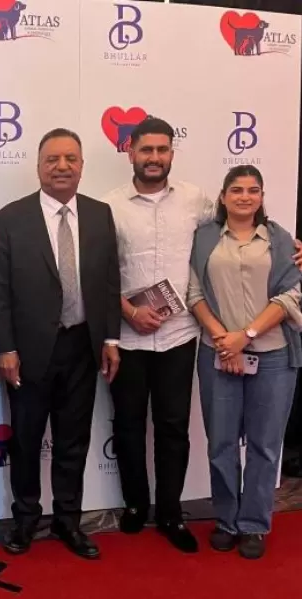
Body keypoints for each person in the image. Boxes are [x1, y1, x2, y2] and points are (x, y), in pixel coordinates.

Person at [0, 128, 121, 560]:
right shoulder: (11, 218)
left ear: (82, 165)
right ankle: (26, 519)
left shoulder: (100, 214)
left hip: (82, 346)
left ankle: (68, 521)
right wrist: (6, 348)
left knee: (73, 441)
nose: (62, 166)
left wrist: (110, 338)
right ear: (38, 166)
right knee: (26, 440)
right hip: (28, 352)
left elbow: (109, 281)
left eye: (70, 159)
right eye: (52, 159)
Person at [100, 117, 213, 552]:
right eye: (146, 149)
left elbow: (238, 222)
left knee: (173, 428)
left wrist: (284, 244)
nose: (154, 157)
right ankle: (134, 505)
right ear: (130, 151)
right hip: (127, 337)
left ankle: (170, 512)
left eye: (162, 150)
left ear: (171, 153)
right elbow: (98, 273)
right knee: (128, 426)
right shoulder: (109, 206)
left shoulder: (195, 199)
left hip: (179, 335)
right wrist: (129, 311)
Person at [188, 165, 302, 560]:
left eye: (253, 190)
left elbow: (290, 296)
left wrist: (246, 336)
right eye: (236, 190)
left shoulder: (281, 239)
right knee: (220, 443)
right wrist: (225, 341)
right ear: (223, 197)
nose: (244, 196)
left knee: (264, 446)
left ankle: (254, 524)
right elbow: (193, 292)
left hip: (273, 357)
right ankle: (226, 521)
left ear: (261, 197)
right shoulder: (204, 238)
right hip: (218, 351)